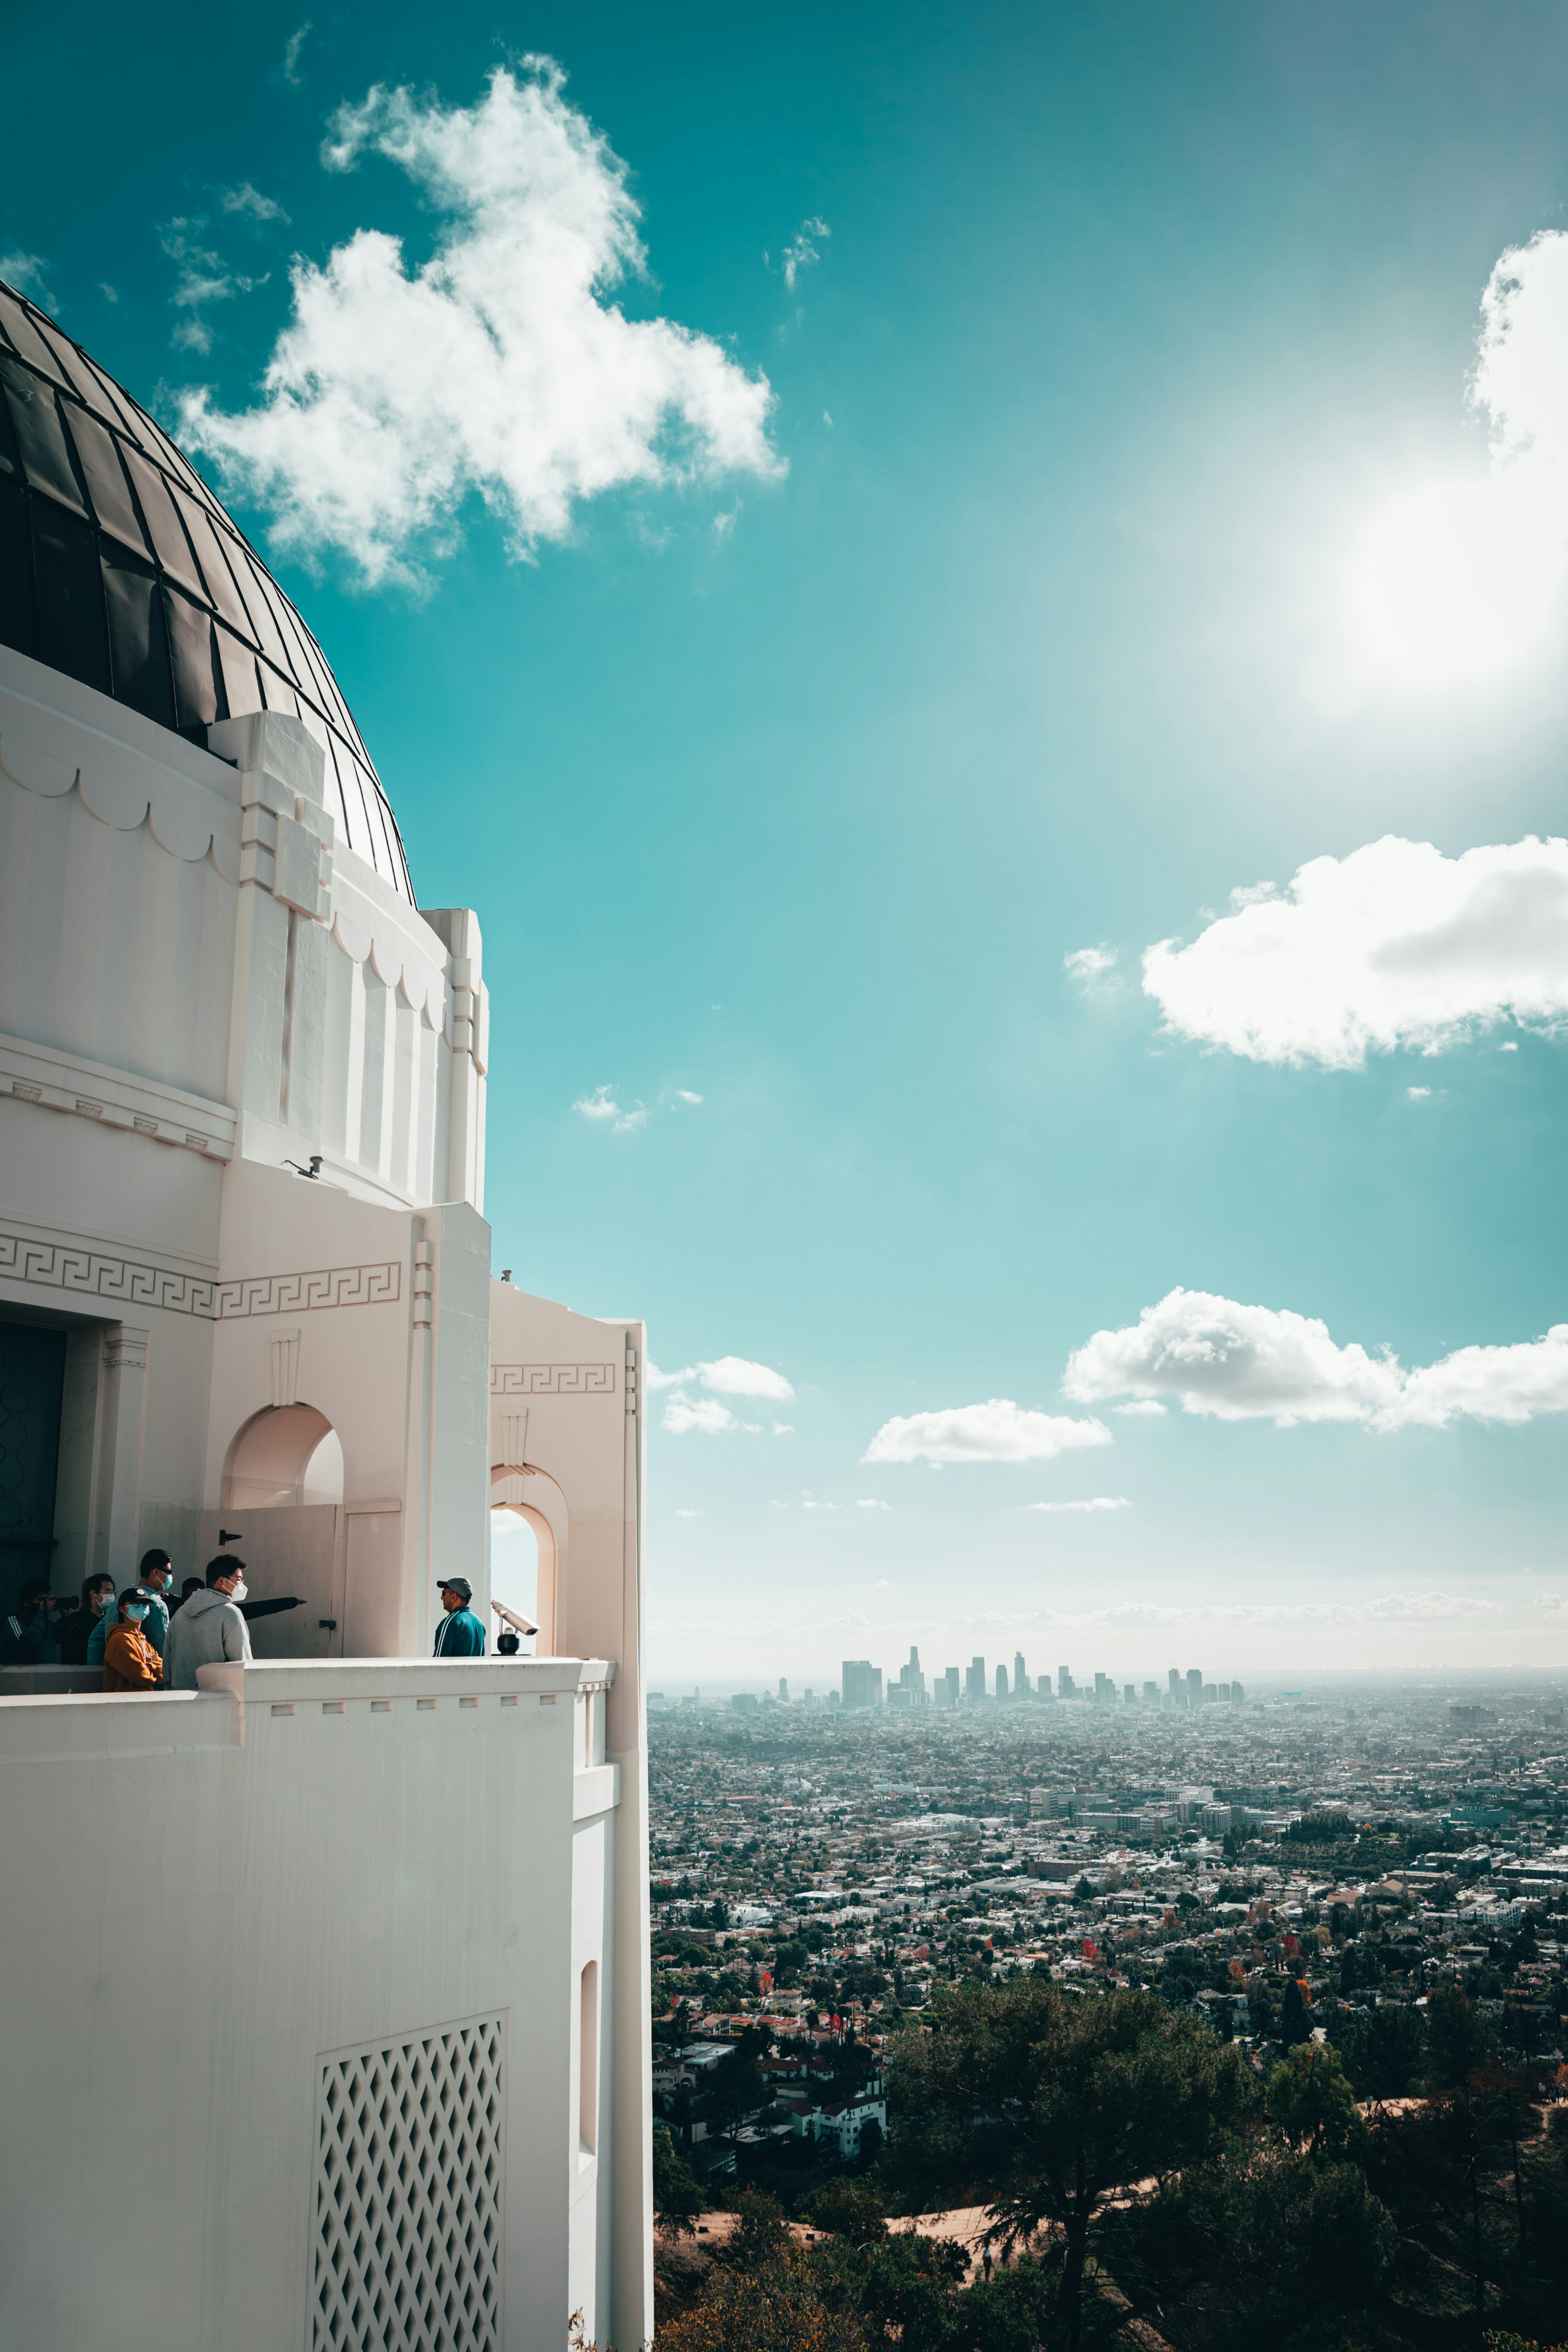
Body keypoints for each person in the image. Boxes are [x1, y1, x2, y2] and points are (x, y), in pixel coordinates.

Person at [163, 1555, 253, 1691]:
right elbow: (243, 1665)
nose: (242, 1585)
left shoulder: (180, 1613)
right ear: (222, 1581)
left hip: (180, 1700)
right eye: (239, 1580)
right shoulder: (230, 1614)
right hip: (217, 1702)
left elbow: (167, 1663)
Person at [88, 1549, 172, 1670]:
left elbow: (96, 1641)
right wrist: (150, 1664)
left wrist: (100, 1674)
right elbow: (163, 1650)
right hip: (142, 1682)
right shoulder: (157, 1605)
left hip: (112, 1682)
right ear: (155, 1572)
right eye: (168, 1573)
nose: (170, 1577)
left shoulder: (116, 1603)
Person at [102, 1588, 163, 1694]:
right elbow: (140, 1676)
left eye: (145, 1603)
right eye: (136, 1603)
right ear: (122, 1609)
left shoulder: (144, 1641)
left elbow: (164, 1668)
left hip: (142, 1705)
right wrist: (155, 1673)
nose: (142, 1607)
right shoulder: (120, 1640)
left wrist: (149, 1666)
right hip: (124, 1706)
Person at [1, 1579, 65, 1667]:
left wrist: (67, 1618)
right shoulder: (14, 1620)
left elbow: (64, 1639)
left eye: (46, 1601)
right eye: (41, 1601)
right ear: (26, 1602)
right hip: (20, 1677)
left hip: (46, 1676)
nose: (45, 1604)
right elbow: (27, 1642)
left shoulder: (48, 1623)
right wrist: (42, 1613)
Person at [61, 1574, 116, 1667]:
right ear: (94, 1594)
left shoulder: (109, 1619)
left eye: (113, 1592)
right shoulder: (77, 1620)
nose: (111, 1596)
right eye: (108, 1591)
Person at [433, 1578, 485, 1657]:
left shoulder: (452, 1622)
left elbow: (438, 1662)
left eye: (444, 1593)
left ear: (454, 1597)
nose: (442, 1597)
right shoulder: (479, 1623)